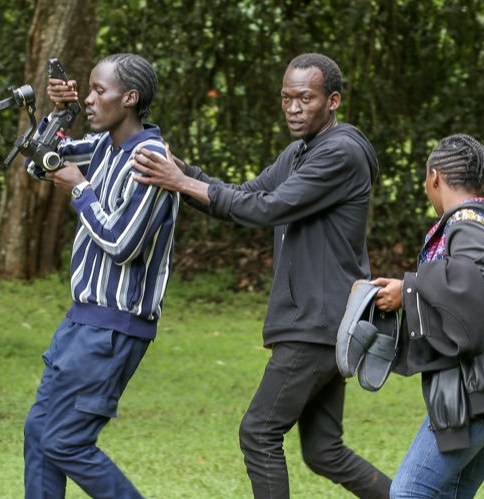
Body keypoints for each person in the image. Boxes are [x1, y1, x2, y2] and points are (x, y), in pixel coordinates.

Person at [131, 53, 390, 498]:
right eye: (286, 98)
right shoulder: (300, 152)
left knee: (258, 433)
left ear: (333, 101)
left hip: (317, 324)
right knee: (324, 450)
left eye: (305, 99)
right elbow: (248, 194)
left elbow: (266, 210)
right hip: (322, 324)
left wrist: (181, 182)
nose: (293, 108)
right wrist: (182, 172)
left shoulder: (340, 153)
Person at [21, 53, 179, 499]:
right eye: (87, 90)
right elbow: (38, 160)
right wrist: (61, 113)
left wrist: (80, 190)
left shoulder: (150, 159)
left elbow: (123, 244)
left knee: (65, 441)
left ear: (129, 98)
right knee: (39, 432)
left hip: (114, 328)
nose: (90, 99)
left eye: (98, 91)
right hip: (81, 321)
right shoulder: (106, 145)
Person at [369, 134, 484, 498]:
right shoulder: (483, 219)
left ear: (434, 177)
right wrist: (407, 290)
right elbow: (466, 282)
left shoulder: (465, 222)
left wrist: (410, 289)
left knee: (409, 492)